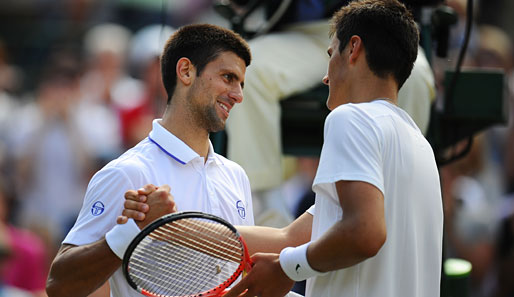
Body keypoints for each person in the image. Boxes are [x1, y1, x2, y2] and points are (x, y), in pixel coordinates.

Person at [120, 1, 444, 296]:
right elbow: (287, 240)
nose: (324, 77)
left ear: (353, 49)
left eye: (330, 55)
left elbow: (365, 234)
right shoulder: (419, 146)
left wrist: (289, 267)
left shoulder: (350, 118)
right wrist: (171, 224)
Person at [45, 23, 254, 297]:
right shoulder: (127, 173)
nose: (238, 95)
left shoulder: (236, 176)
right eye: (228, 77)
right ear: (186, 71)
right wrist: (133, 230)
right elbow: (59, 285)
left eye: (241, 83)